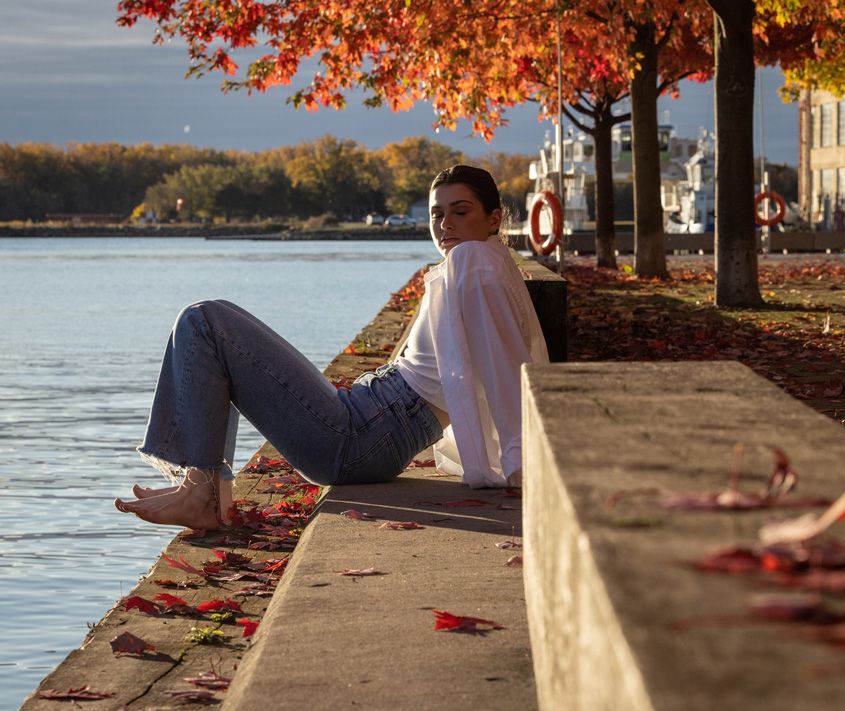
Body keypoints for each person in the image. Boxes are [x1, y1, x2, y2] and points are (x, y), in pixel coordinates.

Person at [114, 165, 548, 530]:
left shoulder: (474, 263)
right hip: (371, 422)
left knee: (205, 322)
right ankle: (201, 486)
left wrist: (523, 463)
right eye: (436, 215)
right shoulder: (488, 261)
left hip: (363, 437)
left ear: (494, 219)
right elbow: (510, 357)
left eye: (460, 211)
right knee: (210, 320)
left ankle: (201, 492)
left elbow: (505, 364)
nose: (445, 225)